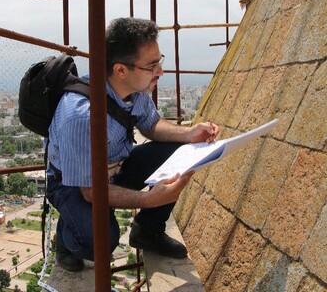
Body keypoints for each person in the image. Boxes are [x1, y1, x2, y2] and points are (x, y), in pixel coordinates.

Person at [46, 17, 219, 272]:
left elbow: (150, 125)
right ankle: (66, 236)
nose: (160, 71)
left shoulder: (134, 89)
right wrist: (149, 200)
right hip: (74, 182)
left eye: (160, 61)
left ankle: (147, 232)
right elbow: (91, 191)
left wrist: (189, 134)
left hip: (117, 167)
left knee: (183, 153)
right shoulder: (81, 116)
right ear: (121, 70)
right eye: (152, 65)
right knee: (99, 244)